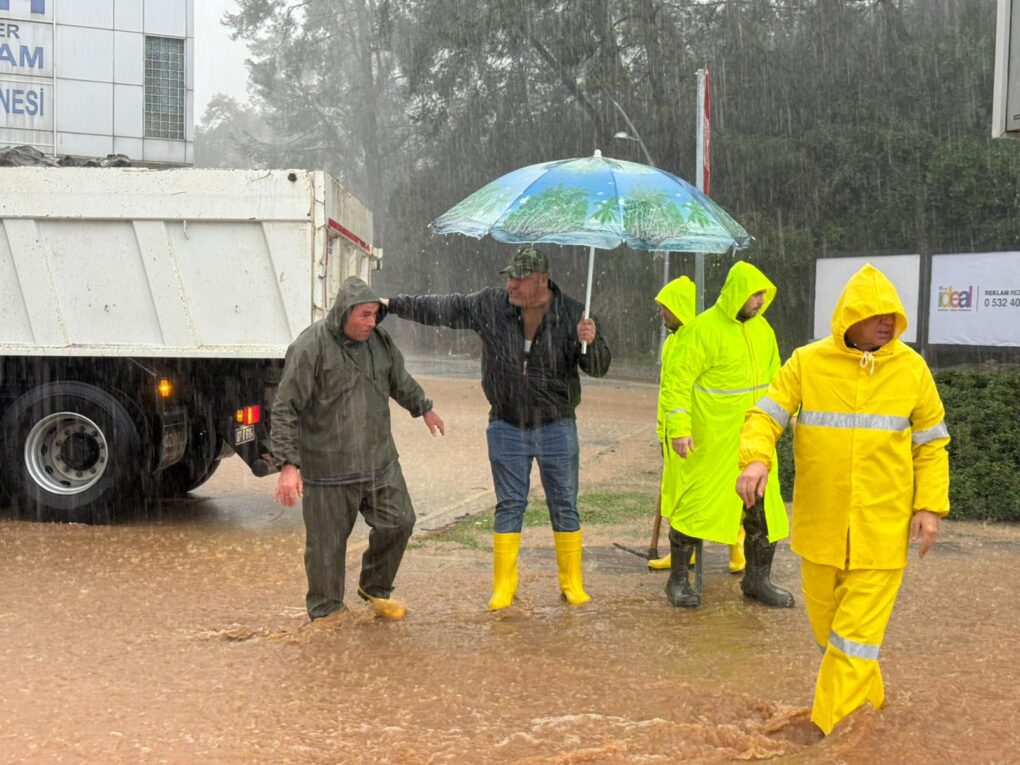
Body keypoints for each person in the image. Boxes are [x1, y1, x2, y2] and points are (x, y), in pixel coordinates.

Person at [735, 263, 949, 735]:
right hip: (821, 530)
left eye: (892, 314)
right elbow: (765, 415)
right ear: (849, 316)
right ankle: (869, 716)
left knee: (852, 642)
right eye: (876, 314)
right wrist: (755, 459)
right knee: (834, 640)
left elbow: (932, 444)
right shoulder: (807, 362)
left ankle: (828, 735)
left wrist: (929, 506)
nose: (887, 322)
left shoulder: (912, 370)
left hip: (881, 531)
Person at [384, 245, 611, 609]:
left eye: (519, 279)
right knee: (509, 505)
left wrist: (592, 340)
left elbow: (598, 368)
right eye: (509, 277)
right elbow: (444, 308)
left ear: (541, 280)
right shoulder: (491, 306)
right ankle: (503, 587)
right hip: (506, 425)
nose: (511, 285)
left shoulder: (574, 314)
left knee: (564, 505)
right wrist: (393, 304)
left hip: (557, 426)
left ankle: (572, 584)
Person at [271, 276, 445, 622]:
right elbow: (285, 407)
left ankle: (374, 588)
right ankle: (327, 615)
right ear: (344, 313)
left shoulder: (379, 341)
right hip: (328, 471)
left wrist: (423, 407)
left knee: (400, 522)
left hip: (379, 463)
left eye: (375, 315)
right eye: (364, 315)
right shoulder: (310, 347)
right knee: (326, 550)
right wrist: (288, 465)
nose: (371, 322)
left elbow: (400, 380)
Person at [659, 260, 793, 609]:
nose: (760, 301)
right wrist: (679, 429)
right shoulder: (701, 331)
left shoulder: (764, 331)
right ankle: (677, 582)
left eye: (763, 294)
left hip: (754, 443)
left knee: (762, 513)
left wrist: (784, 419)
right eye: (755, 294)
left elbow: (777, 382)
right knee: (695, 509)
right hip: (710, 442)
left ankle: (756, 580)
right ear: (737, 293)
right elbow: (676, 384)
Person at [647, 276, 745, 574]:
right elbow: (668, 392)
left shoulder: (699, 338)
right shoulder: (672, 342)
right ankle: (685, 552)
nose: (662, 313)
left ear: (681, 308)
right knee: (679, 495)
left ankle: (737, 546)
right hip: (676, 433)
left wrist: (684, 429)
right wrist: (665, 430)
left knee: (717, 492)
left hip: (702, 433)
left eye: (666, 307)